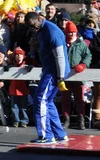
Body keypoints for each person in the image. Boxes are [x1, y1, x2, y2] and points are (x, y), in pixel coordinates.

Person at [24, 12, 69, 143]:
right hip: (50, 69)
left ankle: (46, 135)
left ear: (39, 18)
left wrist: (60, 77)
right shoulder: (42, 30)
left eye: (33, 26)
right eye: (29, 27)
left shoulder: (51, 31)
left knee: (40, 99)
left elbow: (60, 55)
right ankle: (60, 133)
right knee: (47, 101)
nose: (32, 29)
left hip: (54, 71)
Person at [59, 21, 91, 130]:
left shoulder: (81, 44)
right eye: (69, 32)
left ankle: (80, 120)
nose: (71, 34)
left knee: (79, 100)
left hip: (78, 76)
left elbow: (88, 56)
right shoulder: (62, 43)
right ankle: (66, 120)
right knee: (65, 99)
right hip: (65, 76)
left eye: (73, 32)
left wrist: (83, 65)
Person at [8, 47, 30, 128]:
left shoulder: (26, 65)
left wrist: (30, 68)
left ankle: (24, 121)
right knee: (14, 107)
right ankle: (16, 121)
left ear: (23, 56)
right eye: (17, 55)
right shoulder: (11, 65)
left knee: (23, 106)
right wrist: (7, 68)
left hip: (23, 88)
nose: (19, 56)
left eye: (20, 54)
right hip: (14, 88)